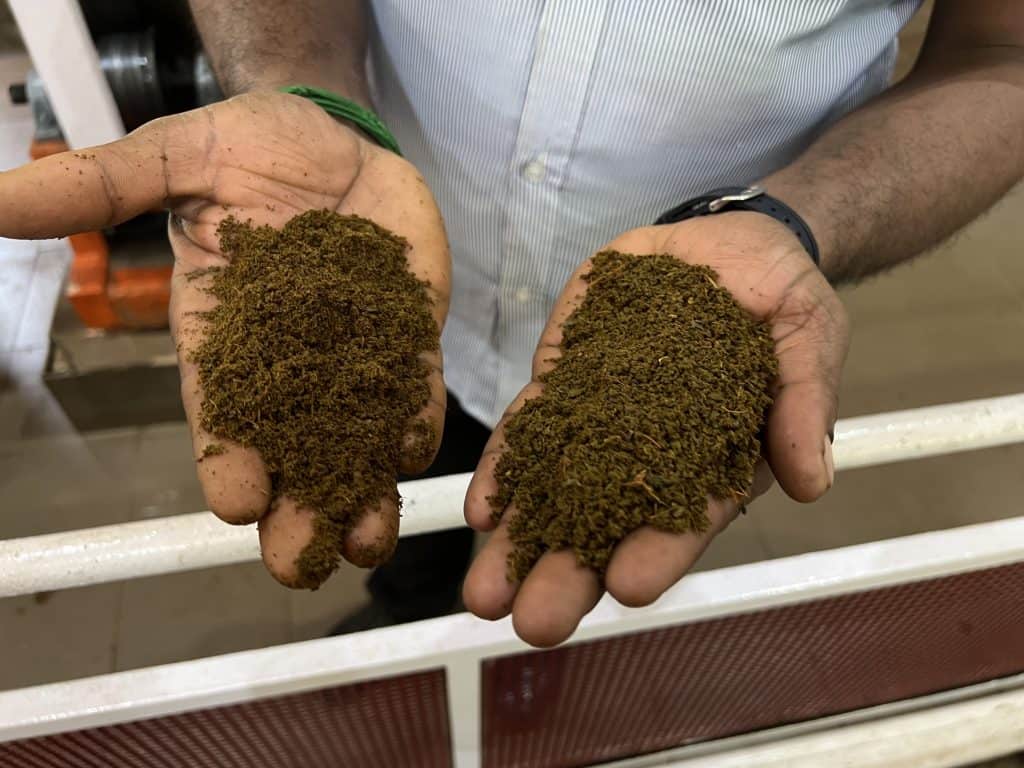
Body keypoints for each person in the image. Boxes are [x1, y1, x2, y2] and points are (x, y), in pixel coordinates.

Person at [1, 0, 1021, 648]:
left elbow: (1001, 54)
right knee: (401, 539)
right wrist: (296, 86)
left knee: (580, 578)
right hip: (397, 277)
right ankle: (413, 620)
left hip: (701, 285)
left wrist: (800, 218)